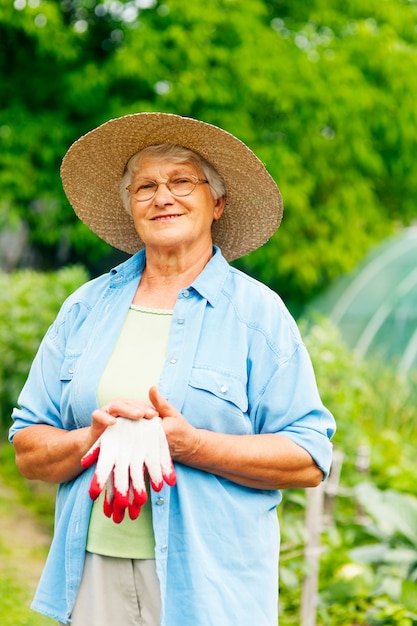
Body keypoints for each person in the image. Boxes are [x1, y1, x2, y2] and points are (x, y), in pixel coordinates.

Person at [9, 112, 335, 626]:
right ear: (130, 206)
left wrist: (191, 444)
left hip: (211, 587)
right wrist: (89, 440)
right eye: (145, 187)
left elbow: (309, 457)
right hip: (95, 575)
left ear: (217, 202)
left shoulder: (257, 314)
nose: (163, 197)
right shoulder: (85, 307)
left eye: (183, 181)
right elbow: (28, 446)